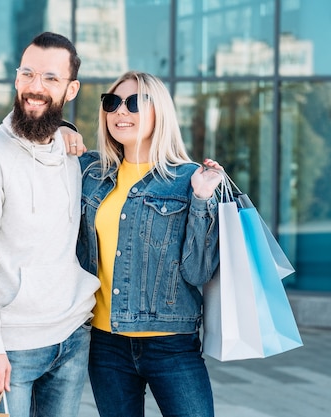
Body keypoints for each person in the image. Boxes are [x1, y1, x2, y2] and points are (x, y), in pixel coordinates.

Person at [0, 32, 100, 417]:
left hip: (72, 337)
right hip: (13, 347)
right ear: (17, 79)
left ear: (71, 90)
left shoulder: (72, 154)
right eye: (28, 74)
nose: (36, 87)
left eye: (51, 78)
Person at [76, 71, 224, 417]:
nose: (120, 112)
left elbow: (198, 270)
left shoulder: (189, 179)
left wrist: (203, 200)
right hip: (105, 343)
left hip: (171, 343)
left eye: (135, 102)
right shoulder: (91, 174)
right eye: (112, 103)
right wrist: (67, 130)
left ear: (160, 111)